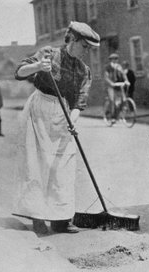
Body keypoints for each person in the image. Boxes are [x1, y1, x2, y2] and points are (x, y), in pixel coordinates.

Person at [14, 21, 100, 234]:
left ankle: (60, 219)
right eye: (85, 47)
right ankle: (37, 217)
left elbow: (80, 101)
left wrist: (73, 120)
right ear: (74, 40)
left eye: (89, 49)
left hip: (64, 113)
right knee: (38, 164)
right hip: (40, 109)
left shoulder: (83, 71)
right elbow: (19, 72)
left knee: (63, 166)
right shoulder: (48, 53)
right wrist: (37, 67)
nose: (86, 52)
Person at [104, 53, 130, 121]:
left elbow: (123, 74)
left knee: (123, 100)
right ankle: (112, 117)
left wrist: (126, 81)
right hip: (111, 86)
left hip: (118, 85)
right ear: (111, 60)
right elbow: (106, 77)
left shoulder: (119, 66)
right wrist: (111, 83)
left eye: (116, 59)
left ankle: (119, 115)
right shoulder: (107, 67)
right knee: (112, 100)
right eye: (113, 59)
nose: (115, 60)